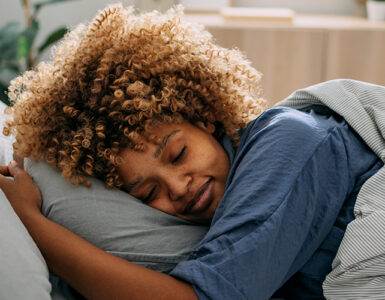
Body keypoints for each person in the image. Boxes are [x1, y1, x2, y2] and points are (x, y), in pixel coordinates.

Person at [0, 4, 383, 300]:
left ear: (205, 118)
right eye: (148, 193)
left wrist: (31, 220)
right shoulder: (223, 216)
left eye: (178, 154)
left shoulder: (287, 142)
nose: (178, 188)